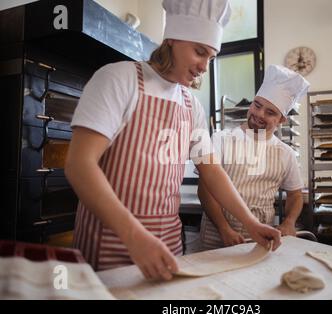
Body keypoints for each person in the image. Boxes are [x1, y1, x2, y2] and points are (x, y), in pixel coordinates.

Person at [65, 0, 281, 281]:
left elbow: (212, 170)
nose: (205, 66)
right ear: (172, 40)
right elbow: (79, 164)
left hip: (167, 244)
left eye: (211, 58)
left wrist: (251, 224)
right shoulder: (119, 78)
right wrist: (134, 235)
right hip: (111, 241)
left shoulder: (191, 104)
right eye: (199, 52)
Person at [198, 65, 310, 249]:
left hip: (261, 239)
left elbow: (295, 194)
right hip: (218, 237)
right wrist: (224, 228)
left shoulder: (285, 153)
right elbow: (205, 189)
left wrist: (289, 222)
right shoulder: (221, 140)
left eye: (270, 112)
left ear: (282, 119)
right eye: (257, 105)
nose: (259, 114)